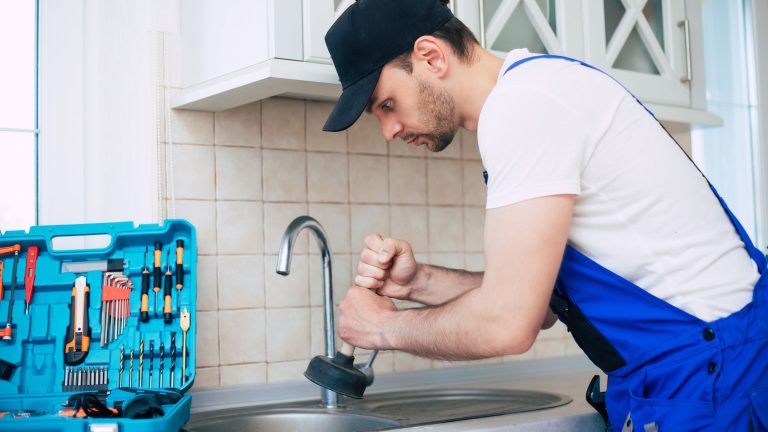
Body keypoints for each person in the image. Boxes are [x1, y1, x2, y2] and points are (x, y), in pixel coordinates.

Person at [321, 0, 768, 430]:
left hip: (717, 375)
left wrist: (382, 328)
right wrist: (417, 282)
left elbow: (508, 323)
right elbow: (541, 306)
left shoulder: (522, 109)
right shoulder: (535, 91)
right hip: (707, 369)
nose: (388, 131)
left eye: (386, 105)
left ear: (431, 57)